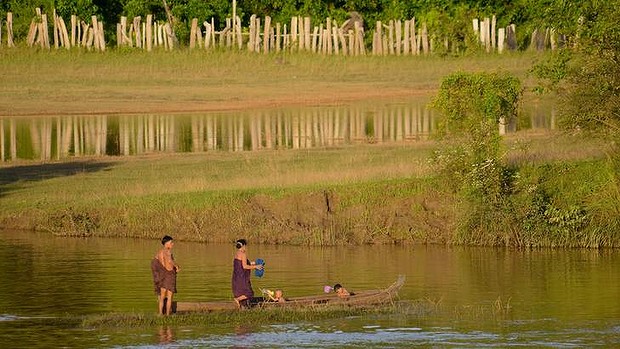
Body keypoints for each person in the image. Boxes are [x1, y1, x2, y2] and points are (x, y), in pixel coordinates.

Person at [151, 235, 180, 315]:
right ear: (166, 243)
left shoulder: (159, 252)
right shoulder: (167, 251)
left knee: (162, 297)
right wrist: (176, 266)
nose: (172, 244)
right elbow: (170, 261)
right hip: (169, 275)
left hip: (163, 277)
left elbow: (155, 263)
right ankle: (167, 314)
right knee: (170, 297)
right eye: (171, 242)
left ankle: (160, 314)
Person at [231, 239, 263, 308]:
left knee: (241, 292)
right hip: (242, 277)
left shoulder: (237, 254)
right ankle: (237, 299)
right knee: (249, 293)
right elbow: (245, 266)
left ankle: (242, 305)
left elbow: (242, 264)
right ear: (243, 246)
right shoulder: (243, 254)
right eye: (245, 246)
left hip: (236, 277)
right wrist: (256, 267)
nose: (245, 248)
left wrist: (254, 263)